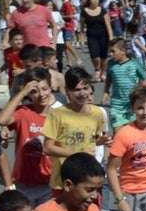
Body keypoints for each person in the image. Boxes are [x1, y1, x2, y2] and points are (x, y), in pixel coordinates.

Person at [44, 66, 108, 198]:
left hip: (89, 179)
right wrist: (76, 154)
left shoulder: (97, 113)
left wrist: (100, 141)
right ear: (67, 92)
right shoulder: (57, 114)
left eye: (86, 88)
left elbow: (91, 139)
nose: (82, 93)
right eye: (77, 90)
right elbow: (47, 148)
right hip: (64, 180)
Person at [0, 67, 55, 207]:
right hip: (23, 183)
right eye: (34, 91)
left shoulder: (58, 116)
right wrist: (22, 92)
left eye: (45, 88)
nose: (41, 94)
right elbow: (2, 120)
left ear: (51, 88)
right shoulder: (23, 112)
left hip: (49, 183)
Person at [103, 37, 146, 130]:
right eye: (109, 51)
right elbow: (109, 78)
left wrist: (139, 91)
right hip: (116, 104)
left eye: (113, 51)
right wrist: (106, 91)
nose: (110, 54)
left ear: (123, 51)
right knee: (118, 133)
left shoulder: (134, 64)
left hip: (132, 104)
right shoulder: (110, 64)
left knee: (133, 131)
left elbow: (145, 78)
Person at [81, 0, 113, 82]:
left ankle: (103, 72)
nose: (95, 1)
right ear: (89, 0)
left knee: (104, 56)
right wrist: (82, 39)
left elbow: (108, 25)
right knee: (94, 55)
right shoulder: (84, 11)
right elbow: (81, 27)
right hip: (91, 36)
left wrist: (111, 38)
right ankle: (97, 69)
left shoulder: (102, 11)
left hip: (103, 35)